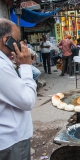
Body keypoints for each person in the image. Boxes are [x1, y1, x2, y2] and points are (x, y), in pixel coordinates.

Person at [0, 18, 37, 160]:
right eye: (15, 40)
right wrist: (26, 66)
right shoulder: (1, 66)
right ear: (6, 40)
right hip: (11, 140)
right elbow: (27, 101)